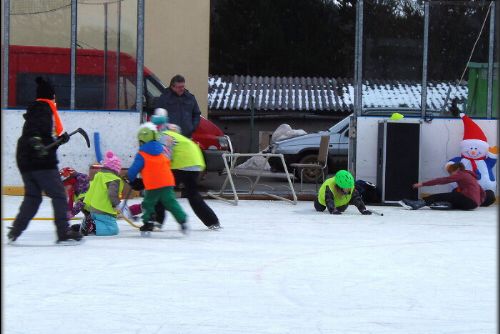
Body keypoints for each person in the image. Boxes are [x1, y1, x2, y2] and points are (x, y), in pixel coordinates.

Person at [7, 77, 83, 244]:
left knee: (33, 197)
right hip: (39, 160)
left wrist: (58, 141)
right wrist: (36, 142)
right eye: (54, 97)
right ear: (50, 96)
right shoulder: (43, 108)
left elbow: (40, 135)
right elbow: (36, 133)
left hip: (25, 158)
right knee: (58, 194)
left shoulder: (36, 109)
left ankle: (16, 230)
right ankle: (63, 231)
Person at [151, 109, 221, 230]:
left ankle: (157, 221)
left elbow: (164, 156)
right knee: (192, 194)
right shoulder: (176, 134)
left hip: (181, 164)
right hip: (196, 162)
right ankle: (212, 221)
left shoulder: (163, 136)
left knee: (162, 190)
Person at [126, 123, 188, 234]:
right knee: (170, 202)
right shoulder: (162, 151)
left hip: (152, 184)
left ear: (142, 141)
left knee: (148, 203)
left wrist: (130, 178)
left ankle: (148, 222)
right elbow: (167, 163)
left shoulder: (142, 154)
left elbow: (133, 170)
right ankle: (182, 220)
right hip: (167, 181)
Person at [399, 162, 486, 210]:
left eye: (451, 172)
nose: (451, 175)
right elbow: (481, 191)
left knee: (443, 195)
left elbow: (442, 180)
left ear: (458, 169)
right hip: (473, 204)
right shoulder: (469, 175)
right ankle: (448, 204)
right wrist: (479, 202)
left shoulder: (460, 174)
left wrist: (422, 184)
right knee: (455, 192)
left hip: (469, 201)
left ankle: (418, 204)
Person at [82, 151, 124, 236]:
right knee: (112, 229)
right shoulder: (113, 179)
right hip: (104, 211)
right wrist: (117, 205)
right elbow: (112, 194)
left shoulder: (98, 176)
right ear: (116, 170)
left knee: (100, 222)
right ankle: (92, 226)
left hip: (92, 209)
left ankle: (86, 224)